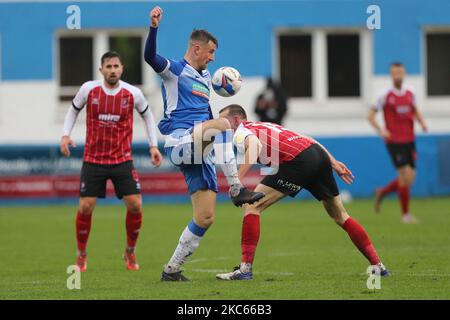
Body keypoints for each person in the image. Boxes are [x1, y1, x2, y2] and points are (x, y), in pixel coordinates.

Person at [144, 6, 264, 281]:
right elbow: (149, 57)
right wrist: (153, 27)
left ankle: (171, 270)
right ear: (196, 48)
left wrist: (218, 123)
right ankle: (236, 188)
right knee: (223, 125)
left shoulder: (206, 78)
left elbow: (205, 114)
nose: (212, 58)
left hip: (200, 150)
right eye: (210, 52)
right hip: (181, 142)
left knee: (206, 217)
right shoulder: (174, 70)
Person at [215, 104, 389, 280]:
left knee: (252, 207)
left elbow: (254, 148)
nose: (221, 126)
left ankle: (245, 270)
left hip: (298, 162)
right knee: (341, 216)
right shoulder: (265, 125)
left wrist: (235, 183)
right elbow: (309, 139)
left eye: (224, 121)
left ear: (237, 120)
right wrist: (333, 163)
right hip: (317, 155)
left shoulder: (240, 131)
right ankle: (378, 266)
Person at [60, 51, 163, 272]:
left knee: (135, 204)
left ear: (122, 69)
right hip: (93, 160)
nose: (112, 70)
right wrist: (65, 135)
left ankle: (130, 251)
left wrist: (153, 145)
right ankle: (81, 255)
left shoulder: (133, 93)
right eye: (108, 66)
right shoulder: (89, 89)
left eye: (116, 66)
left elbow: (147, 115)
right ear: (101, 70)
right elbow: (72, 110)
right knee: (86, 207)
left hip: (122, 159)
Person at [368, 62, 428, 224]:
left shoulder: (410, 93)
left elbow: (415, 110)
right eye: (394, 73)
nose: (397, 76)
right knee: (404, 176)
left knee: (410, 179)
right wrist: (381, 130)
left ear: (404, 74)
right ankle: (405, 216)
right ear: (391, 75)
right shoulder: (385, 95)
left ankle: (382, 192)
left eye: (400, 72)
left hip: (410, 139)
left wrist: (422, 122)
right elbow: (370, 115)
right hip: (394, 141)